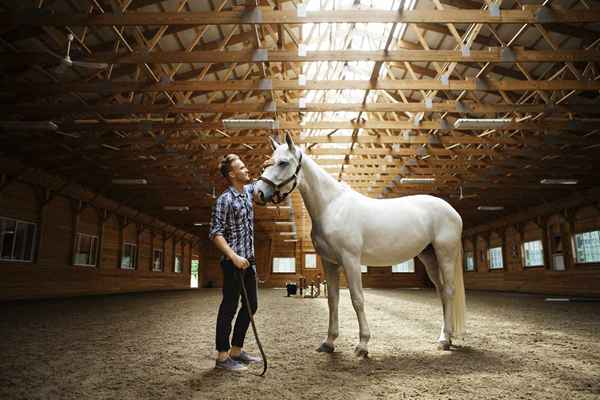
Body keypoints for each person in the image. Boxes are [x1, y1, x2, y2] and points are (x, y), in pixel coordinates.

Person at [208, 154, 262, 372]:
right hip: (233, 263)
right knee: (229, 307)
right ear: (232, 174)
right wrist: (233, 257)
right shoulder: (224, 200)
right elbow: (215, 233)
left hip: (249, 262)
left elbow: (263, 183)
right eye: (242, 167)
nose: (247, 169)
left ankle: (237, 351)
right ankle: (222, 356)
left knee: (252, 305)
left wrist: (274, 162)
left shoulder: (248, 192)